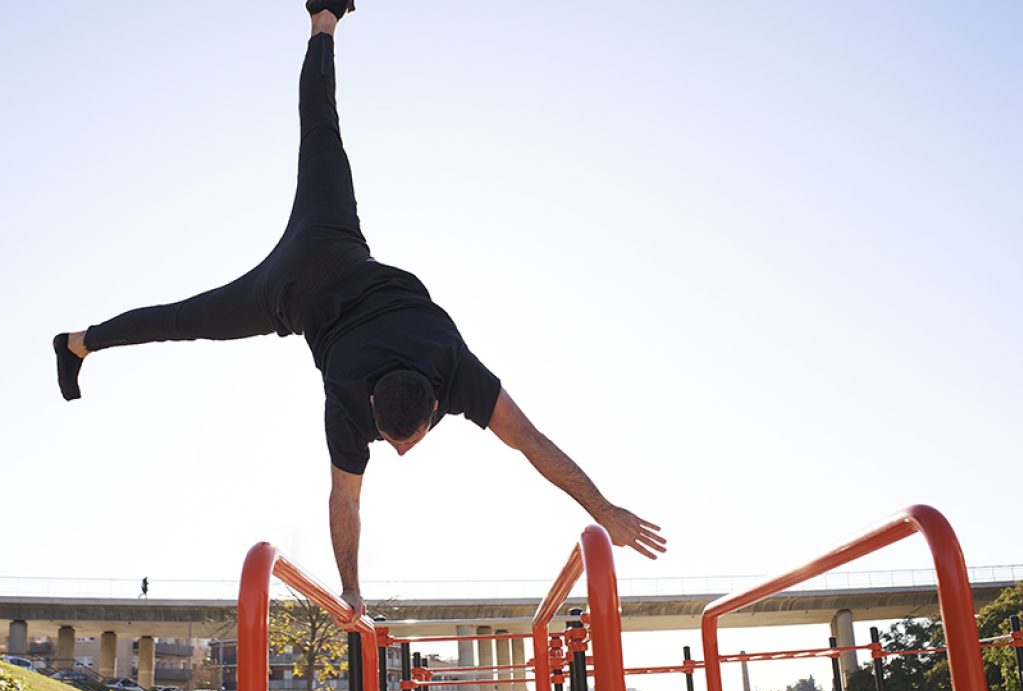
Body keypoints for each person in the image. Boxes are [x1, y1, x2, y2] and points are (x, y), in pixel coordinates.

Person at [53, 0, 666, 617]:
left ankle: (325, 19)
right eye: (398, 441)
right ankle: (78, 343)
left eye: (406, 440)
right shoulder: (359, 402)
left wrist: (605, 511)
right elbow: (345, 501)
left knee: (317, 137)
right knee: (185, 315)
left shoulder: (451, 365)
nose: (400, 451)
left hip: (328, 242)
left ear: (434, 400)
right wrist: (348, 587)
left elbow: (532, 442)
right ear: (381, 404)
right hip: (294, 281)